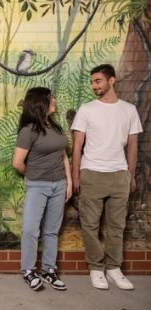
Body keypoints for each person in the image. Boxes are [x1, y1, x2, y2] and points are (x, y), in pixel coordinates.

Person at [71, 64, 141, 290]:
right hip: (92, 172)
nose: (94, 86)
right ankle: (95, 268)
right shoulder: (86, 109)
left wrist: (130, 175)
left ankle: (114, 268)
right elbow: (77, 146)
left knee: (116, 226)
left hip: (119, 174)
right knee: (90, 225)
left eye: (98, 81)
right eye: (92, 82)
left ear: (112, 80)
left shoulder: (129, 110)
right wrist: (76, 176)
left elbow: (132, 146)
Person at [12, 87, 70, 291]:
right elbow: (17, 162)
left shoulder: (55, 128)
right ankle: (28, 270)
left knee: (51, 231)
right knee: (30, 229)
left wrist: (69, 182)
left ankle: (48, 271)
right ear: (40, 103)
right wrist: (34, 175)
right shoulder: (28, 131)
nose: (54, 100)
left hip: (59, 185)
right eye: (50, 98)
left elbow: (63, 156)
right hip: (38, 186)